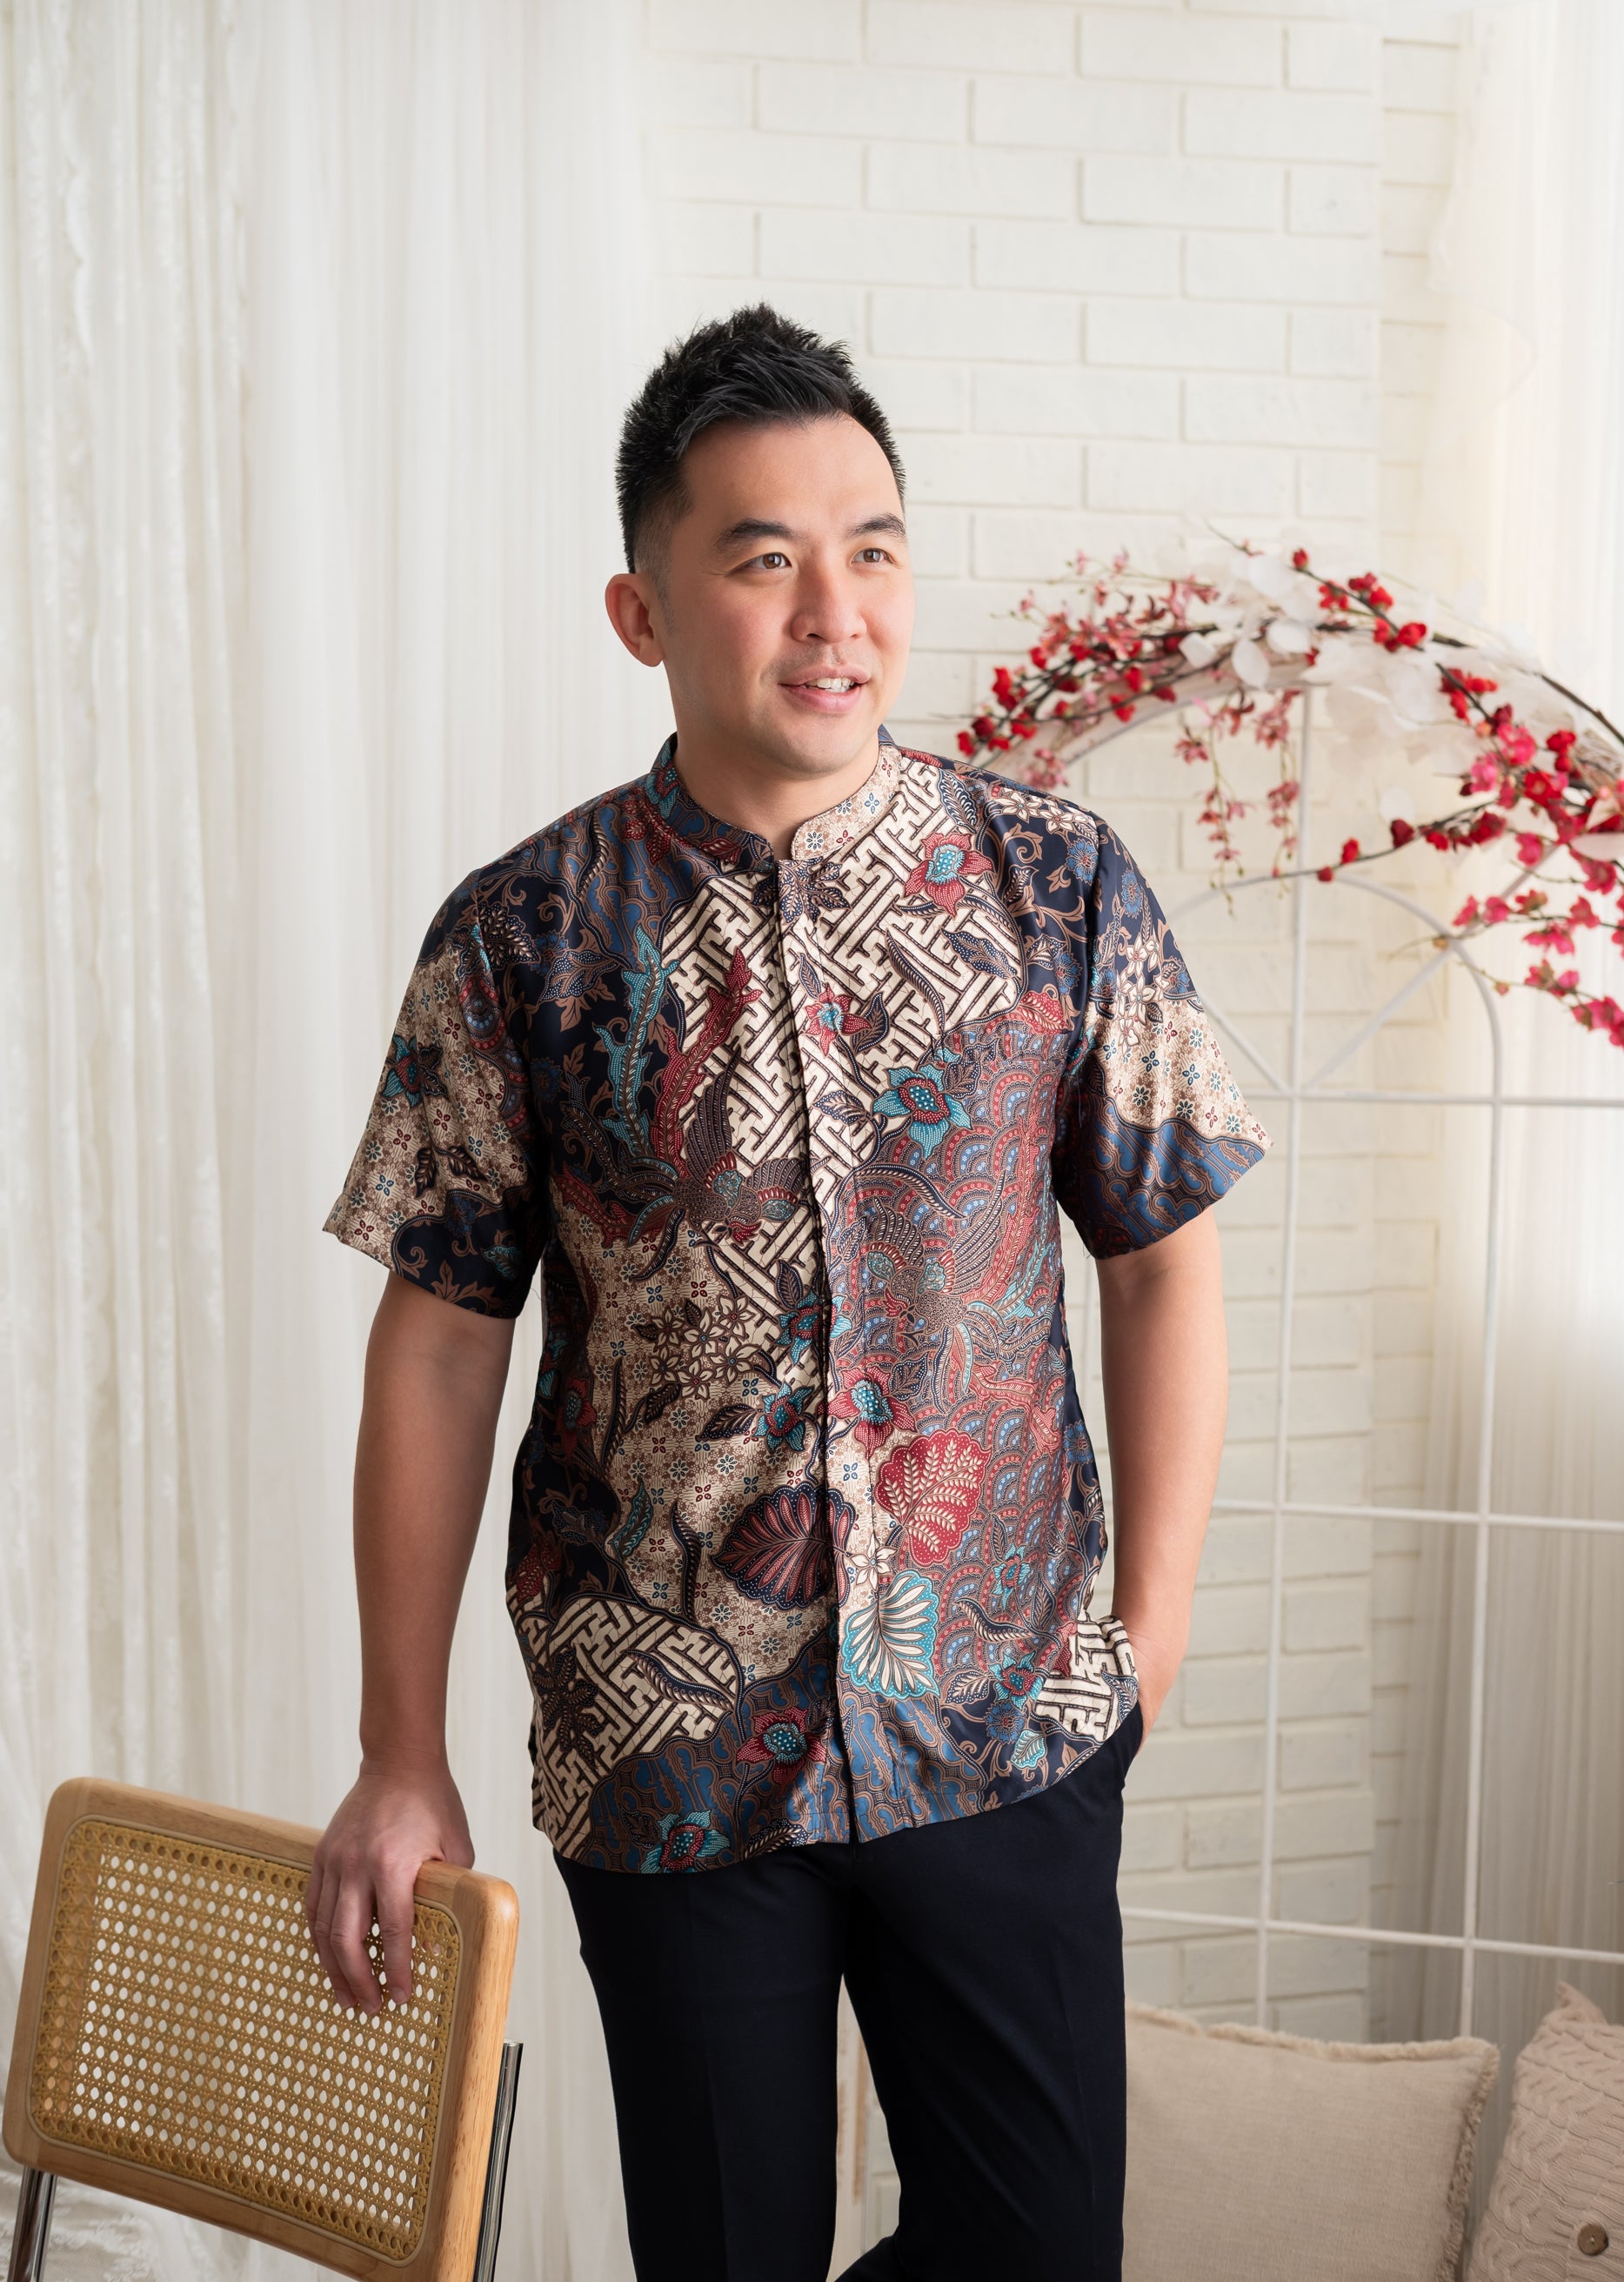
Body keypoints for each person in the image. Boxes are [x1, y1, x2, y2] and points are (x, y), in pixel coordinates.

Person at [309, 304, 1268, 2281]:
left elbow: (1165, 1262)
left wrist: (1149, 1632)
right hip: (669, 1742)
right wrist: (401, 1749)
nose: (836, 613)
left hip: (1003, 1713)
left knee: (1039, 2251)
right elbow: (439, 1351)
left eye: (874, 549)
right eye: (764, 558)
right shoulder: (523, 935)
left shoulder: (1056, 886)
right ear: (642, 610)